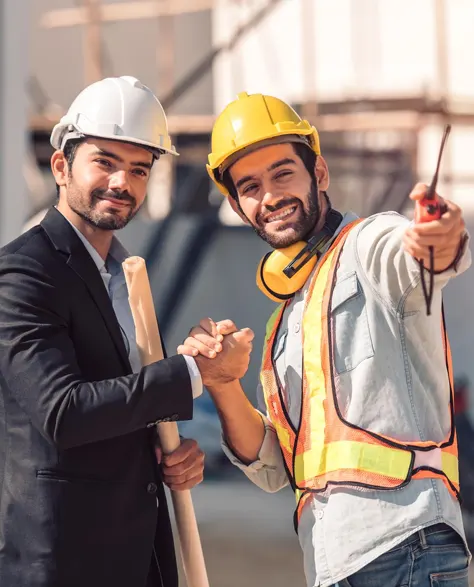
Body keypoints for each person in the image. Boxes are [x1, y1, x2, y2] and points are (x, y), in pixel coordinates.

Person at [179, 92, 472, 587]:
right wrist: (225, 385)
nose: (269, 195)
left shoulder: (368, 244)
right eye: (250, 186)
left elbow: (418, 256)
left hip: (406, 543)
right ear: (235, 204)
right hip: (332, 562)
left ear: (319, 174)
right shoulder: (286, 322)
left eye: (282, 173)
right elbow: (274, 468)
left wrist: (440, 241)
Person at [0, 76, 251, 587]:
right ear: (60, 166)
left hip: (133, 558)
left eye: (139, 169)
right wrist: (190, 373)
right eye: (105, 162)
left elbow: (116, 410)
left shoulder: (123, 275)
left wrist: (164, 455)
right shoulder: (24, 275)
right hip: (58, 561)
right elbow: (64, 413)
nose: (122, 182)